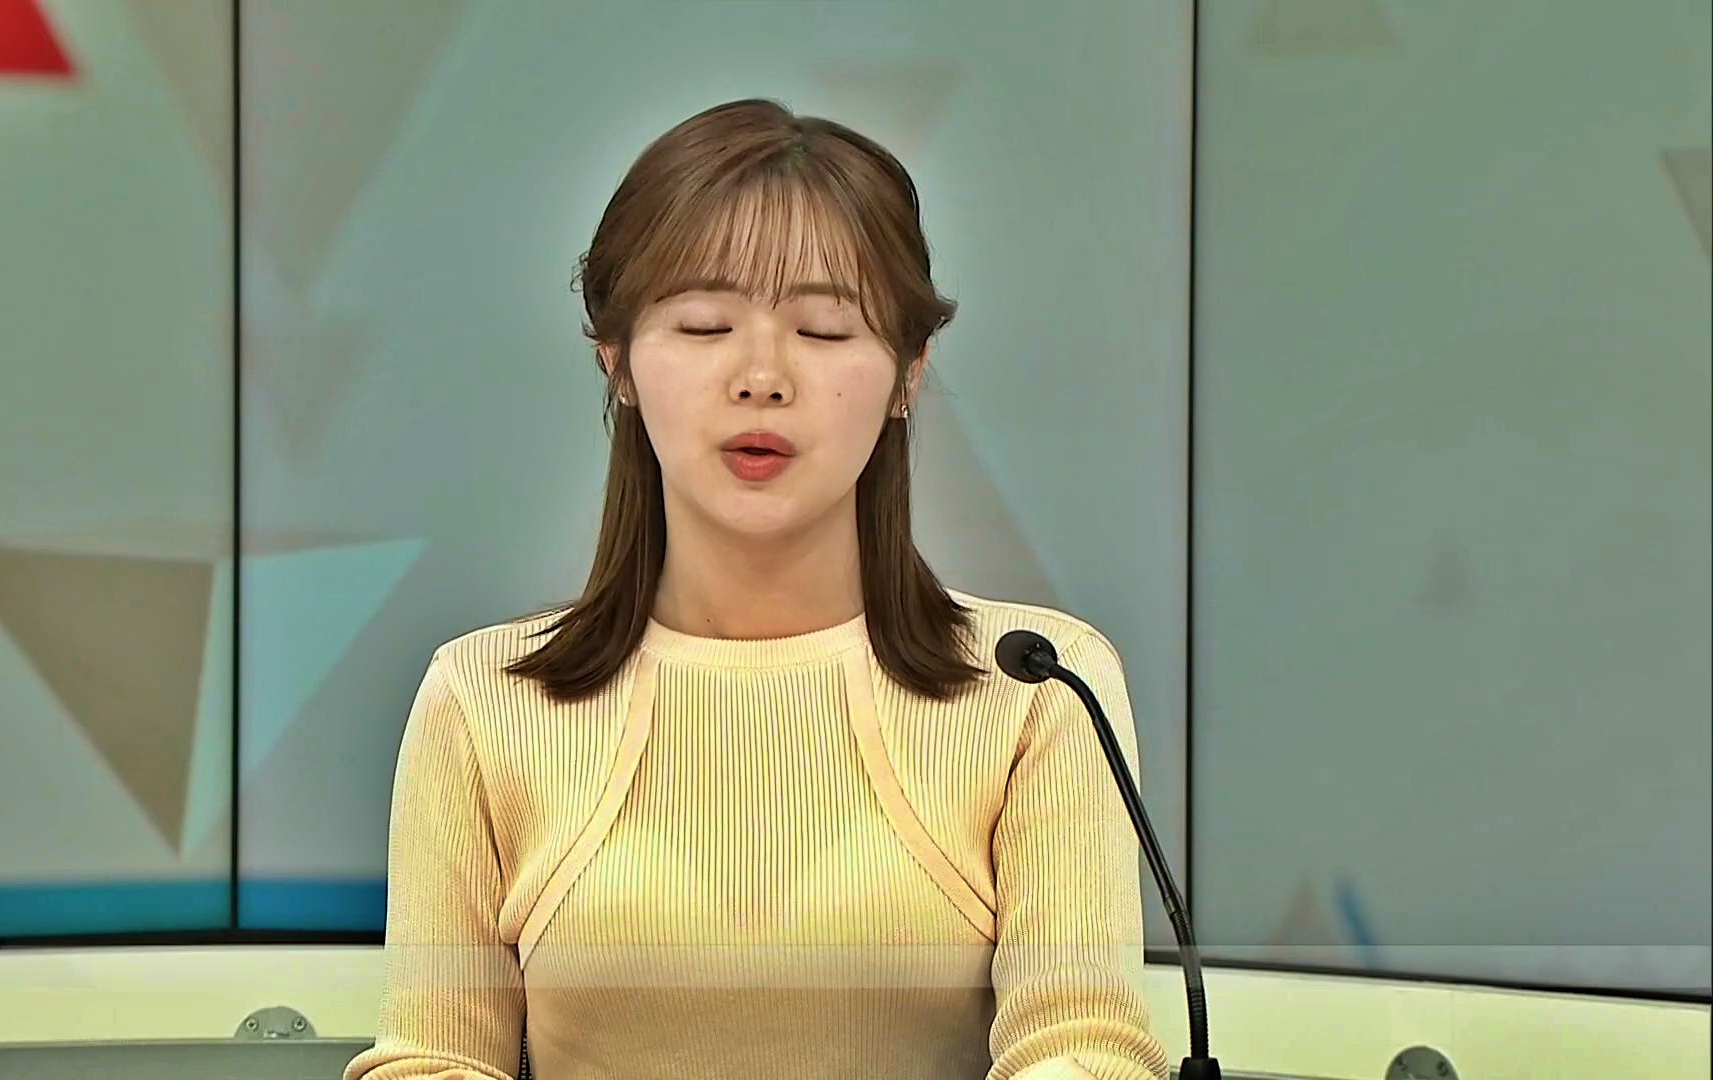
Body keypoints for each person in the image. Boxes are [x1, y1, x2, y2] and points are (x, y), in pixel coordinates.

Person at [343, 98, 1169, 1080]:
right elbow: (432, 1059)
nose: (762, 376)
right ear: (618, 363)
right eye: (705, 324)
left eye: (823, 329)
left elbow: (1084, 1046)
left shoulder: (1039, 690)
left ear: (909, 373)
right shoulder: (481, 702)